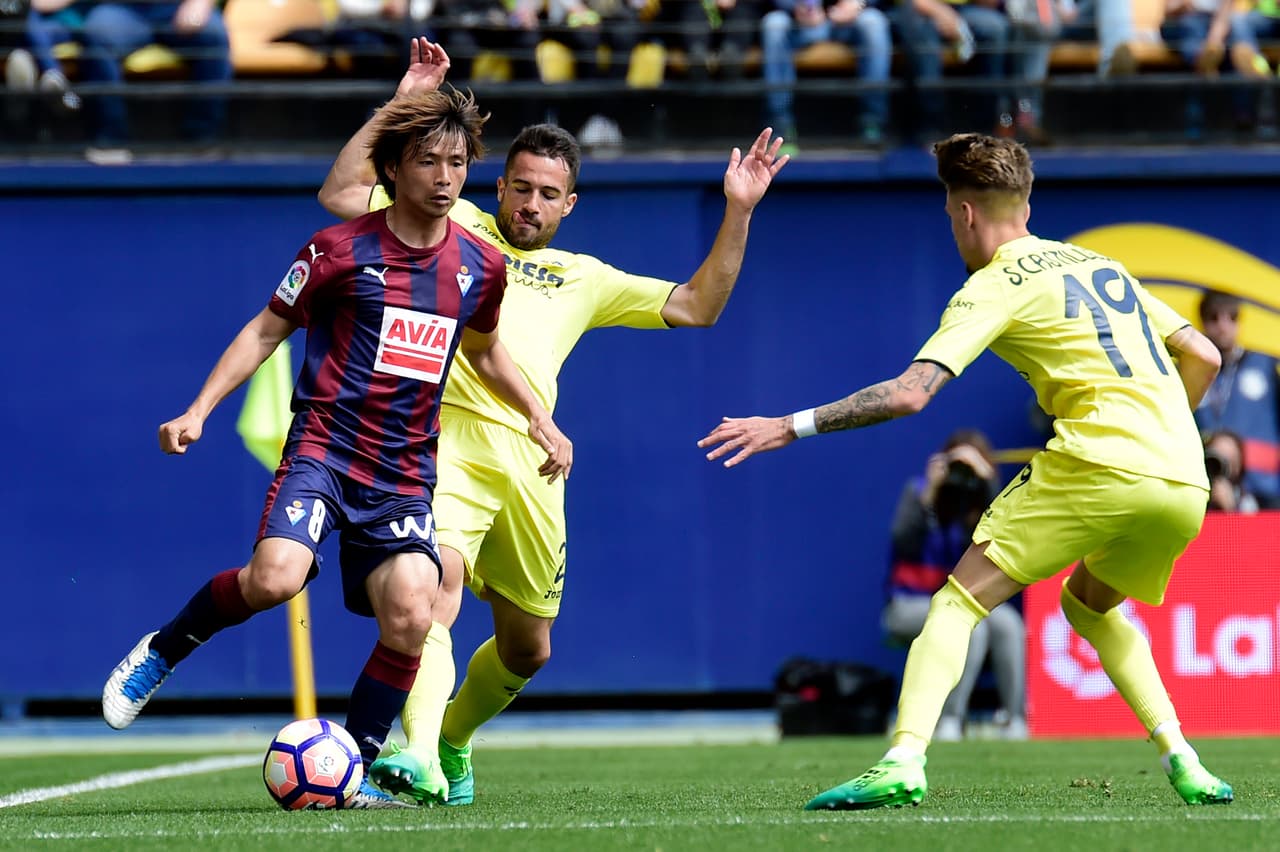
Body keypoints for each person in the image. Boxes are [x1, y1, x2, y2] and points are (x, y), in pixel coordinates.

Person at [699, 132, 1234, 809]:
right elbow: (1205, 357)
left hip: (1100, 459)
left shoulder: (992, 285)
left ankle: (903, 759)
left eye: (951, 215)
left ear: (966, 213)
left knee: (958, 603)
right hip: (1185, 476)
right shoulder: (1102, 267)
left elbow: (908, 393)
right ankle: (1184, 758)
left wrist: (788, 425)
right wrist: (1160, 433)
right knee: (1091, 605)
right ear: (1027, 202)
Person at [317, 37, 788, 806]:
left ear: (570, 205)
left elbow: (699, 306)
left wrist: (737, 211)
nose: (530, 204)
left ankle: (455, 741)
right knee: (433, 593)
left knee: (528, 647)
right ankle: (419, 754)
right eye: (521, 187)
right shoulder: (451, 221)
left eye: (548, 194)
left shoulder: (586, 277)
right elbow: (340, 195)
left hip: (536, 460)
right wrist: (405, 102)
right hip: (446, 442)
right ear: (498, 186)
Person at [100, 88, 573, 809]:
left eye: (456, 163)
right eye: (428, 162)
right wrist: (198, 409)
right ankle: (164, 648)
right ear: (393, 169)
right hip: (326, 450)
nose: (445, 178)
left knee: (416, 615)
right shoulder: (338, 250)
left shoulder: (480, 266)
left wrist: (540, 417)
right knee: (275, 580)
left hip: (405, 469)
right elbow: (265, 330)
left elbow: (484, 351)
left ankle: (351, 767)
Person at [883, 429, 1025, 742]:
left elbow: (1001, 540)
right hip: (909, 604)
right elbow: (903, 543)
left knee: (1009, 624)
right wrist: (930, 495)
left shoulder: (981, 505)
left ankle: (1014, 720)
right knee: (968, 628)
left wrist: (987, 485)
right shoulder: (919, 492)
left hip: (964, 601)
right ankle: (949, 721)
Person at [759, 0, 893, 147]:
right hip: (798, 21)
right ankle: (780, 129)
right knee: (774, 24)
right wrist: (796, 7)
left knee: (873, 21)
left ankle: (872, 124)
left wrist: (858, 3)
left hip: (848, 20)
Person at [1194, 289, 1280, 508]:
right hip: (1205, 491)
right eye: (1214, 317)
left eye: (1232, 316)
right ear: (1202, 322)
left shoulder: (1265, 366)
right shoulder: (1189, 370)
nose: (1223, 325)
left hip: (1264, 492)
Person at [1203, 428, 1261, 513]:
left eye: (1230, 460)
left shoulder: (1246, 502)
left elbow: (1248, 525)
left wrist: (1230, 509)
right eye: (1216, 456)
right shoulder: (1194, 490)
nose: (1221, 466)